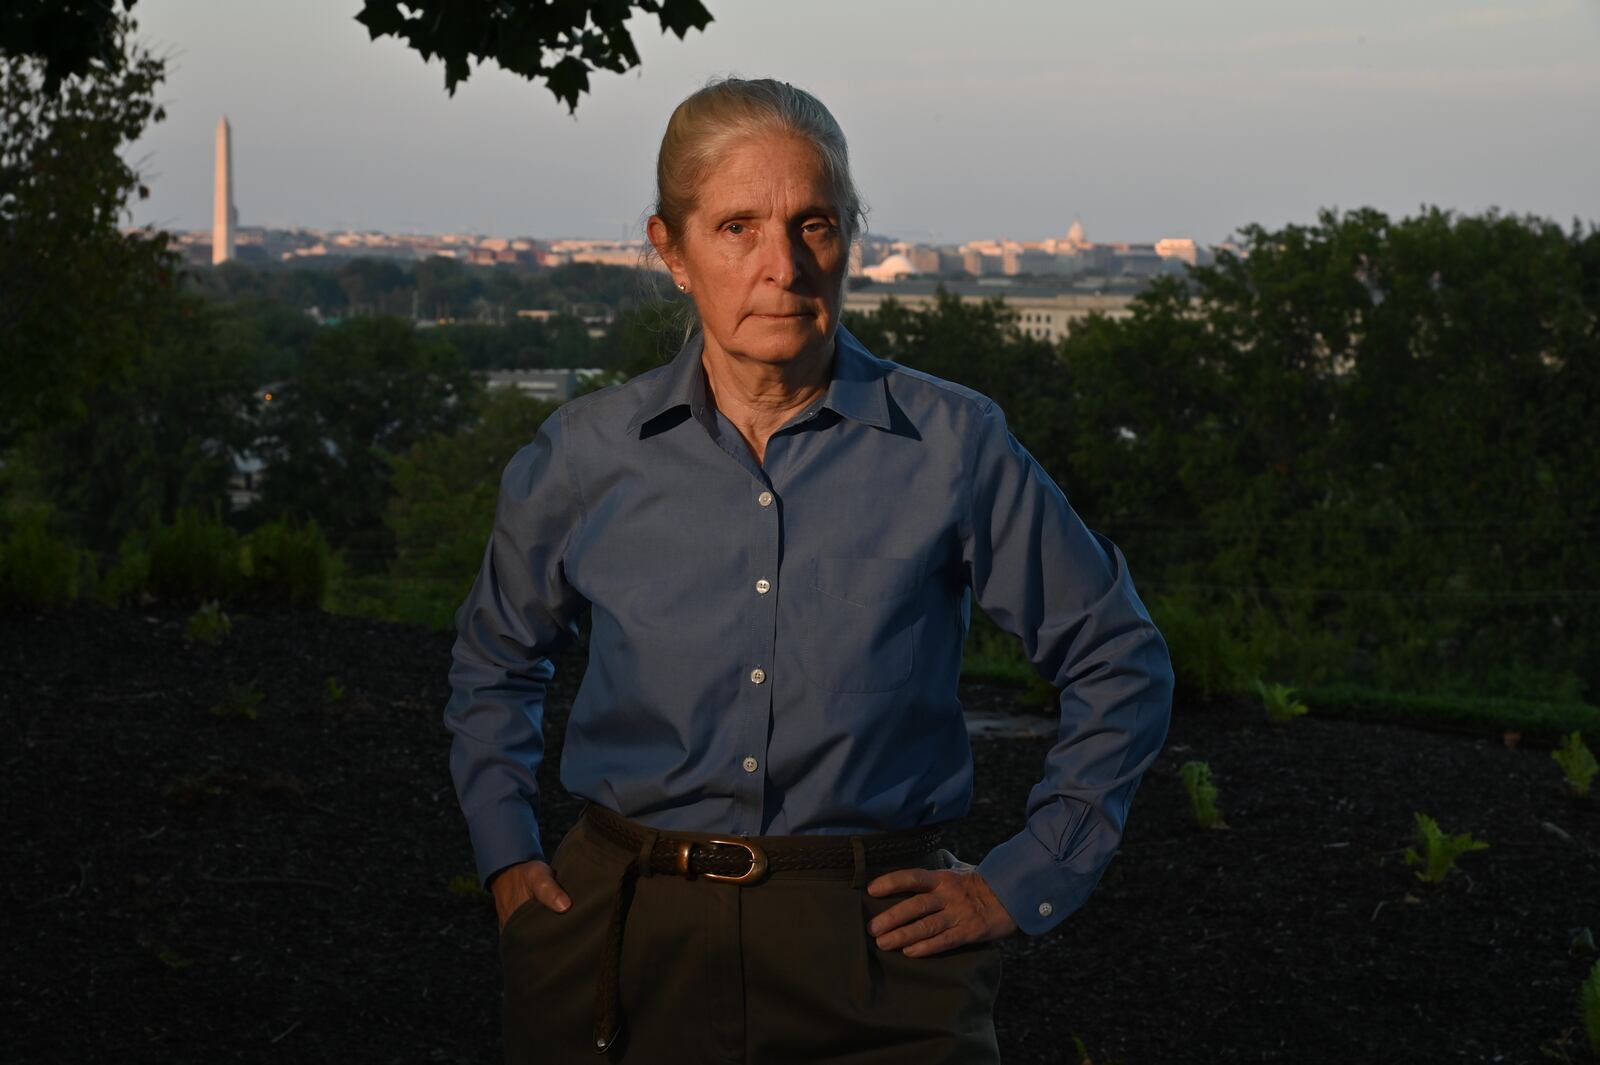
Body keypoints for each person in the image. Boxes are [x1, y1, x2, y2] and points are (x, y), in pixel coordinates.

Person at [444, 76, 1175, 1065]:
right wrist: (506, 856)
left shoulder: (953, 446)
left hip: (878, 958)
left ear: (849, 241)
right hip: (616, 939)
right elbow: (495, 663)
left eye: (813, 226)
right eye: (736, 226)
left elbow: (1118, 658)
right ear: (671, 250)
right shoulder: (584, 454)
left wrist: (1024, 877)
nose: (780, 266)